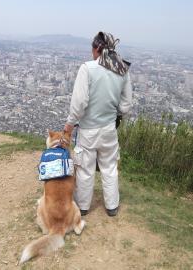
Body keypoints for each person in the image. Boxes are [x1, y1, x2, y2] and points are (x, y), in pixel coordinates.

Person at [64, 31, 133, 217]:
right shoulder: (122, 70)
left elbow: (79, 103)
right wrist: (113, 112)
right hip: (110, 129)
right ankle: (112, 206)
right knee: (109, 167)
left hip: (88, 130)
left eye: (92, 49)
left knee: (85, 169)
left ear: (97, 48)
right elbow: (126, 106)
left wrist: (69, 125)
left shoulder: (87, 68)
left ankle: (84, 207)